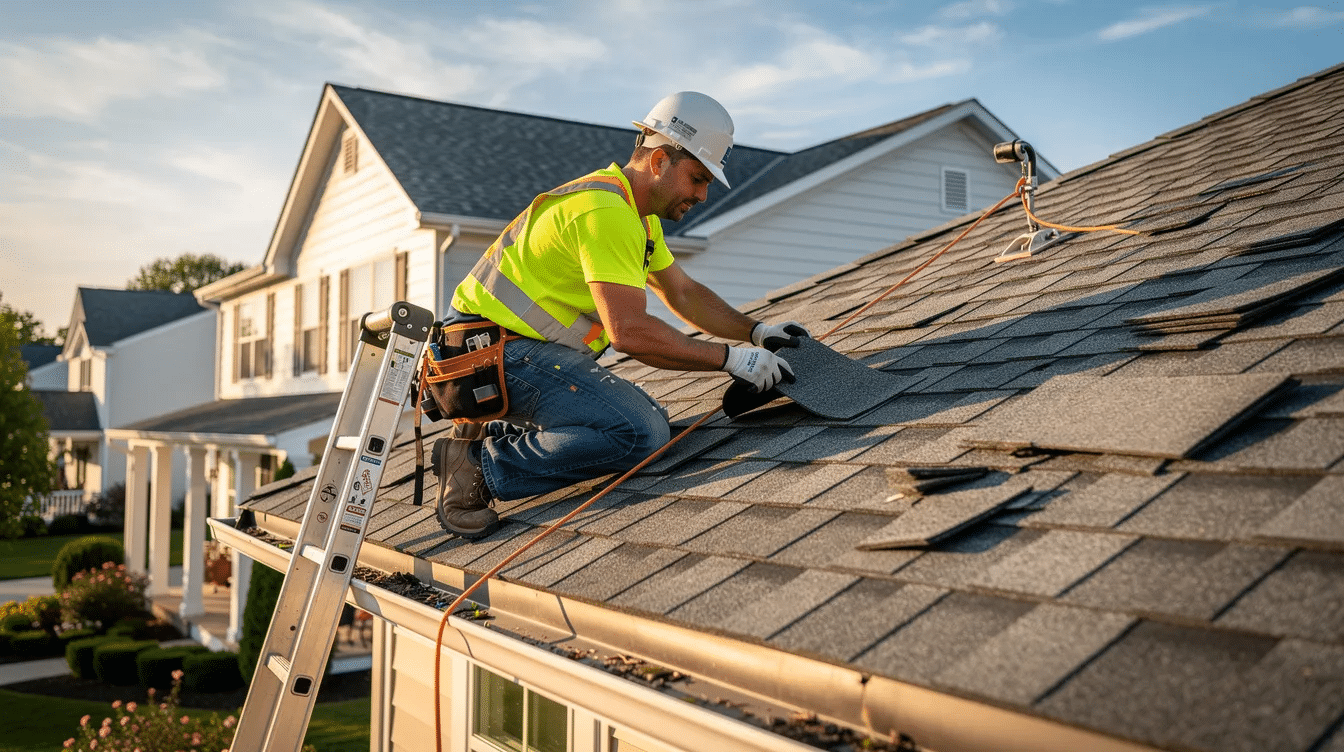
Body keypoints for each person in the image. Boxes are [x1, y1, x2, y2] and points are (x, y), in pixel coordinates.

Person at [433, 91, 807, 538]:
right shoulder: (606, 213)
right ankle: (476, 468)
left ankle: (489, 442)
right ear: (659, 162)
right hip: (491, 355)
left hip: (506, 352)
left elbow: (684, 293)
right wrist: (732, 360)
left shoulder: (636, 215)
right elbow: (628, 332)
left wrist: (758, 332)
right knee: (638, 433)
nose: (703, 195)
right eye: (697, 178)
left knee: (646, 419)